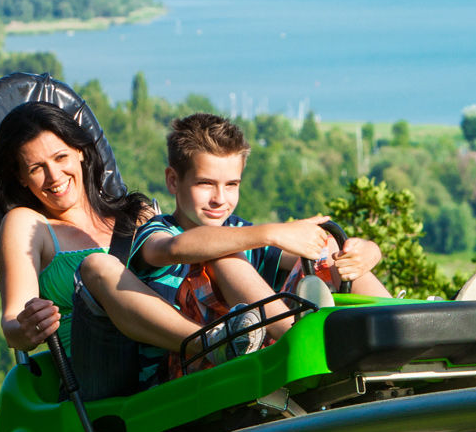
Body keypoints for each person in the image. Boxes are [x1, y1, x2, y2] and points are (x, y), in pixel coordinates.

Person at [0, 101, 270, 397]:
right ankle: (211, 344)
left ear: (80, 151)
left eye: (61, 157)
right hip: (99, 369)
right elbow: (13, 324)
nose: (54, 176)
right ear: (20, 177)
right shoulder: (28, 225)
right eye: (36, 168)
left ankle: (287, 329)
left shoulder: (137, 215)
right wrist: (27, 326)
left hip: (161, 355)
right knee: (99, 267)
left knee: (212, 245)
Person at [129, 114, 391, 338]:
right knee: (222, 253)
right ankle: (299, 339)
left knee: (327, 250)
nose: (220, 199)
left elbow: (318, 249)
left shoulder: (242, 232)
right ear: (173, 181)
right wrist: (271, 233)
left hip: (251, 350)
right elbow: (175, 248)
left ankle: (397, 329)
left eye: (232, 185)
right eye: (205, 183)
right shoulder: (157, 232)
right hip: (188, 361)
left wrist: (367, 252)